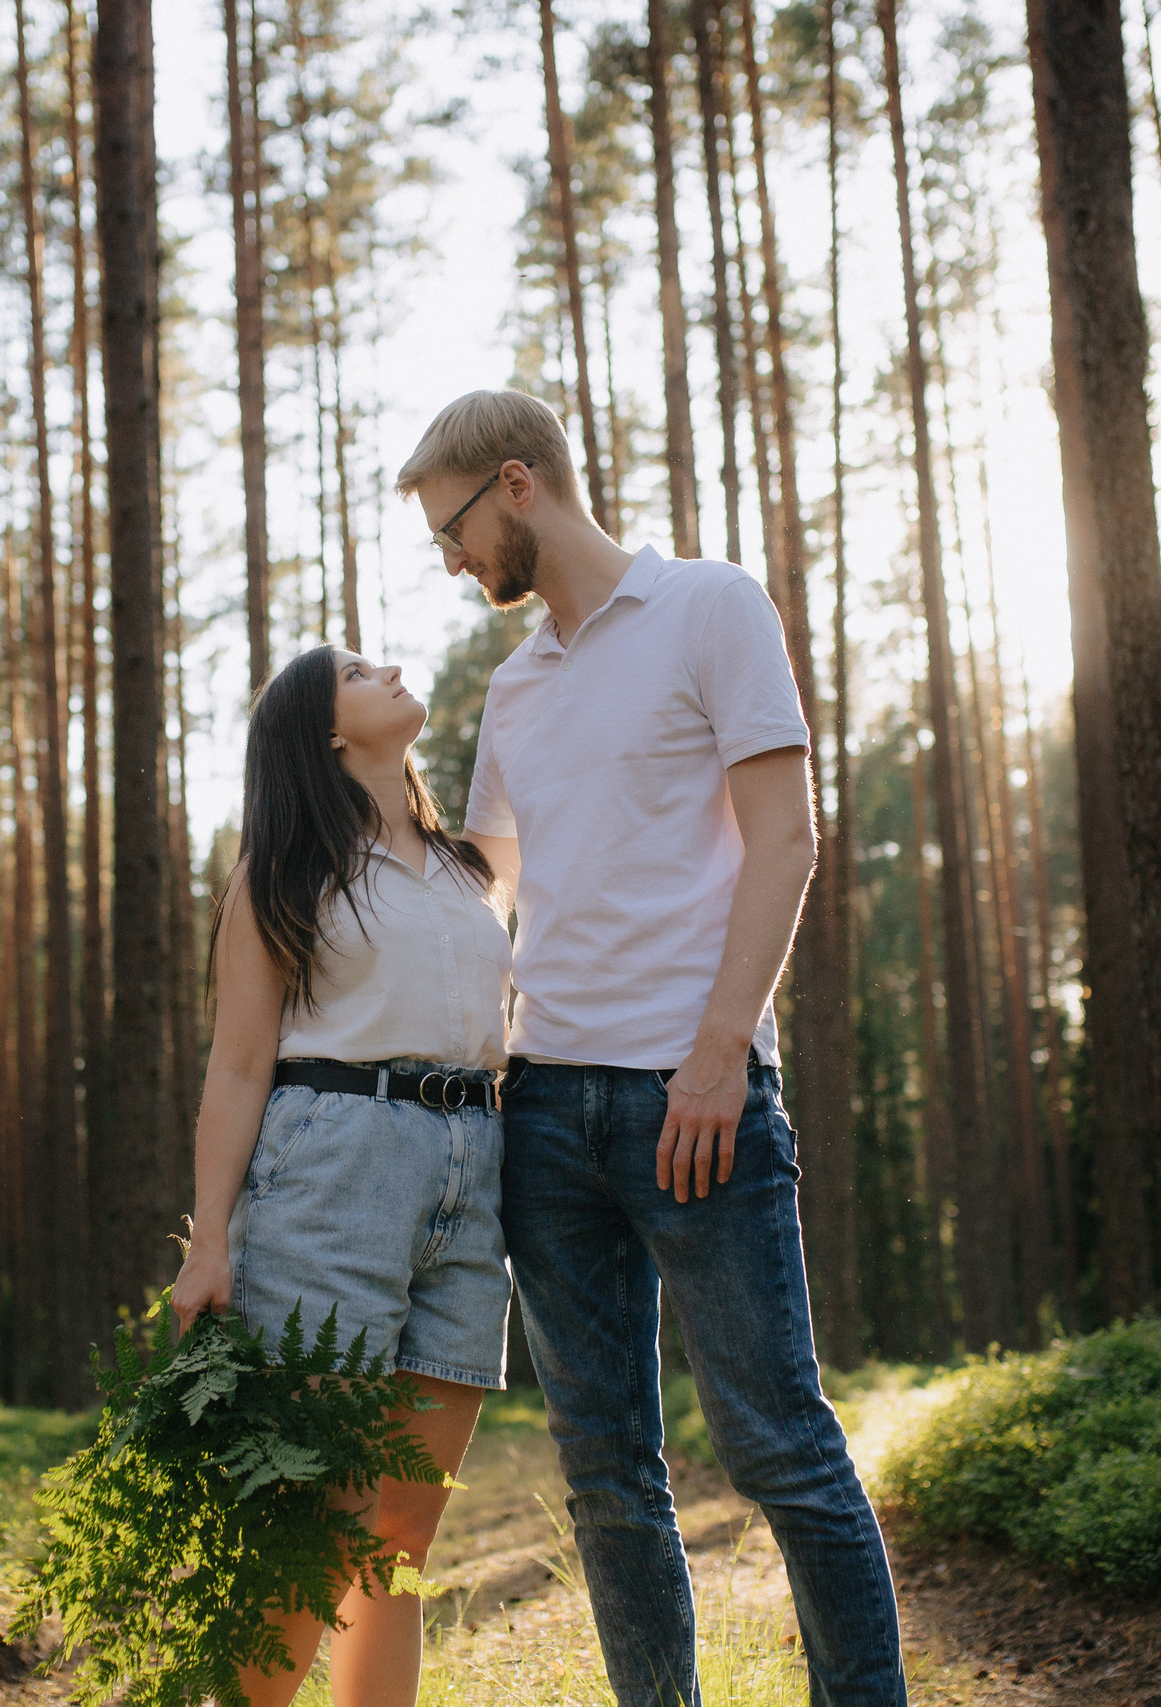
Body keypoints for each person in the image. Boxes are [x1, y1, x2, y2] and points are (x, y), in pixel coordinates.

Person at [396, 389, 909, 1706]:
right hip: (545, 1112)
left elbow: (787, 836)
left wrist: (720, 1051)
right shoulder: (514, 688)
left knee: (780, 1443)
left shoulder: (711, 606)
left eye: (451, 527)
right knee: (606, 1468)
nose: (451, 561)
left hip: (700, 1091)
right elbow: (490, 893)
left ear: (517, 484)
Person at [171, 643, 515, 1707]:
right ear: (327, 731)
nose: (395, 666)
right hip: (333, 1169)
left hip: (474, 1175)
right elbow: (236, 1066)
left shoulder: (468, 868)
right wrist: (210, 1244)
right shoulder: (282, 871)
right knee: (308, 1526)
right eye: (363, 671)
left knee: (402, 1537)